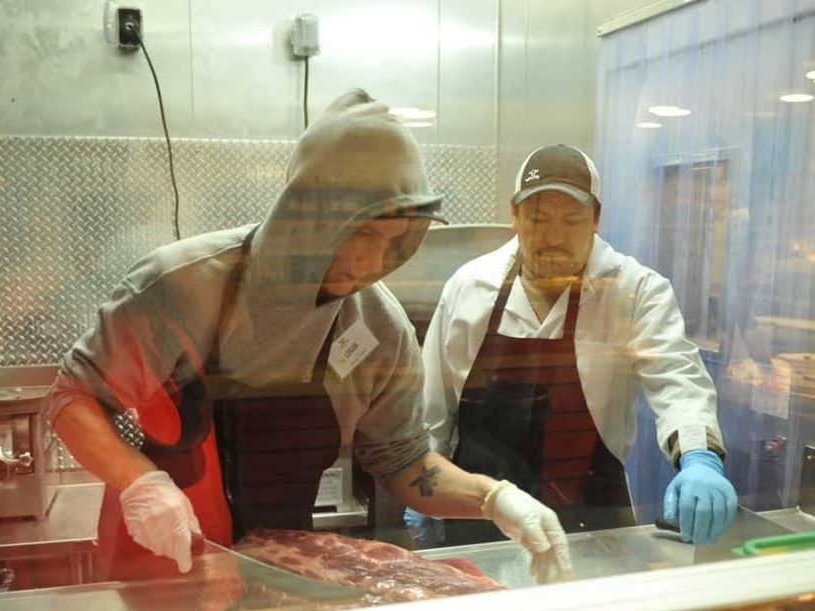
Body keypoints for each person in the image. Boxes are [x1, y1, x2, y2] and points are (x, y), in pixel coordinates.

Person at [49, 91, 573, 584]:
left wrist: (494, 497)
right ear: (307, 219)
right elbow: (72, 398)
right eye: (358, 234)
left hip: (277, 574)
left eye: (396, 243)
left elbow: (402, 461)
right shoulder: (181, 286)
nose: (370, 265)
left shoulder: (377, 328)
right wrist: (141, 483)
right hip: (156, 561)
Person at [416, 144, 737, 546]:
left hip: (591, 518)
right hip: (479, 516)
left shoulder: (634, 290)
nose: (554, 237)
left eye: (571, 220)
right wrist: (425, 491)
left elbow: (676, 378)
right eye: (537, 218)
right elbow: (433, 407)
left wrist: (698, 457)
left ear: (596, 219)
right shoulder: (470, 286)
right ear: (514, 217)